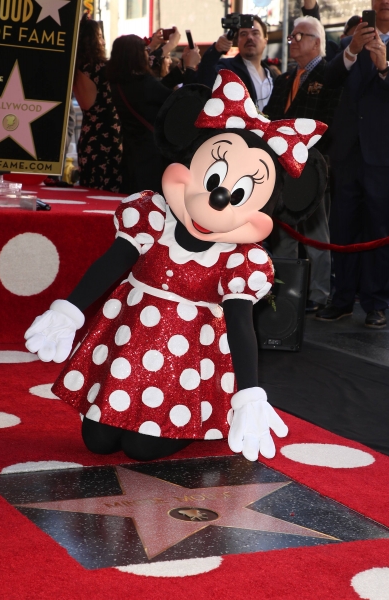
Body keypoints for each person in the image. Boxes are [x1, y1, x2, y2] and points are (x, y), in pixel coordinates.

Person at [24, 71, 327, 463]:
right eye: (213, 177)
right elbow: (112, 263)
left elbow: (239, 324)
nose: (217, 197)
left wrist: (249, 392)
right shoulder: (152, 218)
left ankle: (208, 418)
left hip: (187, 366)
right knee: (97, 442)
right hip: (128, 345)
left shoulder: (239, 259)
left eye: (237, 193)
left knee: (141, 448)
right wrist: (69, 309)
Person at [315, 1, 389, 328]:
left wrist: (385, 67)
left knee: (378, 229)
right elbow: (329, 78)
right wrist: (352, 51)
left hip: (383, 154)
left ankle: (376, 303)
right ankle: (342, 297)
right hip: (347, 152)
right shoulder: (349, 41)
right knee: (343, 227)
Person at [264, 16, 343, 312]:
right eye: (291, 37)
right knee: (284, 233)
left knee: (315, 232)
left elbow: (330, 123)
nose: (293, 41)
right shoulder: (285, 78)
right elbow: (271, 118)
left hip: (312, 167)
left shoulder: (329, 75)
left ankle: (319, 294)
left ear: (317, 41)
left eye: (299, 36)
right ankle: (288, 294)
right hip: (283, 166)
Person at [106, 34, 199, 194]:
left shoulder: (120, 84)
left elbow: (158, 89)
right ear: (136, 55)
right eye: (144, 50)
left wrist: (182, 65)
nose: (147, 54)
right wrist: (190, 68)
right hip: (153, 160)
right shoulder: (143, 84)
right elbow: (184, 101)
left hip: (133, 157)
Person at [73, 14, 123, 192]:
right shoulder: (103, 69)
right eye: (100, 37)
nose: (103, 42)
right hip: (107, 138)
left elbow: (86, 105)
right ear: (93, 41)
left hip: (88, 136)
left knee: (89, 191)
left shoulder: (76, 68)